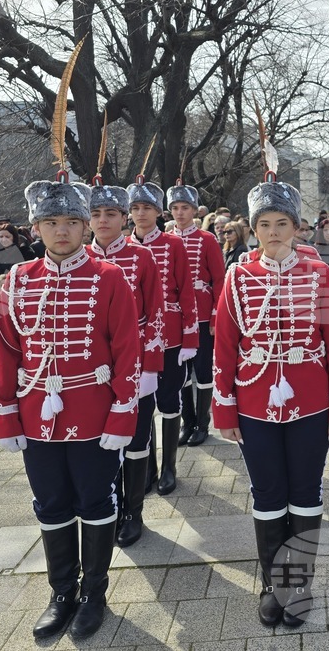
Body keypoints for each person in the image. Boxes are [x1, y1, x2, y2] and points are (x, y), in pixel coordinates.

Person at [0, 177, 141, 642]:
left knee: (95, 501)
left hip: (94, 411)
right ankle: (61, 594)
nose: (62, 231)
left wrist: (122, 416)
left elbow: (127, 352)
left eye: (72, 222)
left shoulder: (109, 277)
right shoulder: (17, 280)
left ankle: (94, 593)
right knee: (51, 503)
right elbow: (6, 353)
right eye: (51, 222)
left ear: (83, 226)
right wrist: (6, 415)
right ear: (36, 227)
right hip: (37, 415)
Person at [212, 168, 329, 628]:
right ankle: (274, 583)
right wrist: (225, 408)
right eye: (264, 225)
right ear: (253, 230)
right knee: (268, 493)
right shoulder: (236, 277)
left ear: (297, 228)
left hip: (310, 402)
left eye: (282, 224)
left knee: (306, 492)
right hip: (254, 405)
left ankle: (299, 582)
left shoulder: (320, 273)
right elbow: (226, 347)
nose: (273, 233)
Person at [87, 180, 167, 545]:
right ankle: (110, 505)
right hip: (92, 370)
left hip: (135, 363)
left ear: (124, 218)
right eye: (95, 214)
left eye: (111, 214)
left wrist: (151, 366)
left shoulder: (141, 257)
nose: (103, 221)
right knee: (101, 441)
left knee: (136, 440)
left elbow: (156, 313)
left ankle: (134, 512)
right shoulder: (80, 259)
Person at [126, 176, 199, 492]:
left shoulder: (173, 244)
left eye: (147, 208)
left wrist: (190, 338)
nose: (141, 214)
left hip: (169, 336)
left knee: (169, 401)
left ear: (158, 212)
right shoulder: (124, 246)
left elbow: (187, 294)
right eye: (136, 208)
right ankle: (148, 469)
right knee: (141, 406)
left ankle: (169, 467)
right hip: (131, 340)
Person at [168, 180, 225, 447]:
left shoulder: (207, 239)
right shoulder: (165, 240)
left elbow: (219, 280)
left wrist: (215, 316)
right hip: (175, 317)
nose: (180, 213)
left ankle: (203, 424)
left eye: (185, 207)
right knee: (179, 374)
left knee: (202, 371)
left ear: (195, 211)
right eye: (176, 208)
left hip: (201, 316)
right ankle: (187, 423)